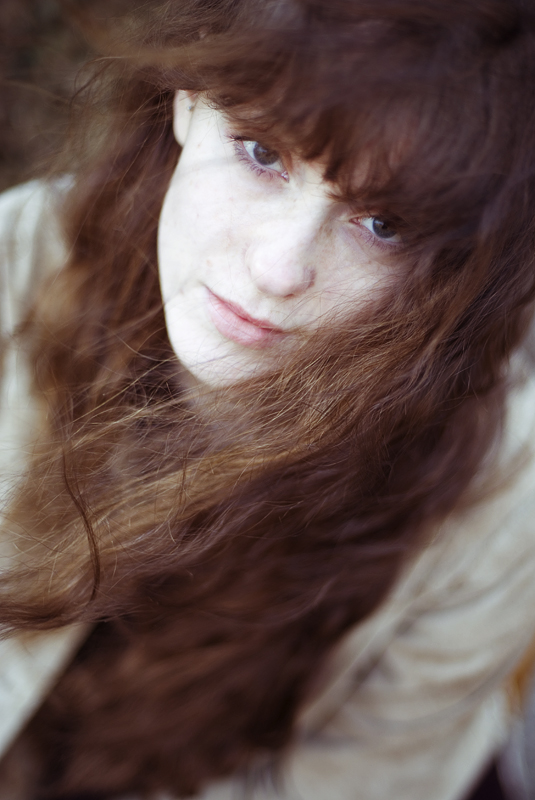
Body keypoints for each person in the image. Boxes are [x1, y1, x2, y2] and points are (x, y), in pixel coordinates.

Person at [0, 0, 535, 798]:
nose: (280, 267)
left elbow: (353, 780)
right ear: (186, 101)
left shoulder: (501, 491)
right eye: (261, 154)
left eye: (383, 225)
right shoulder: (18, 261)